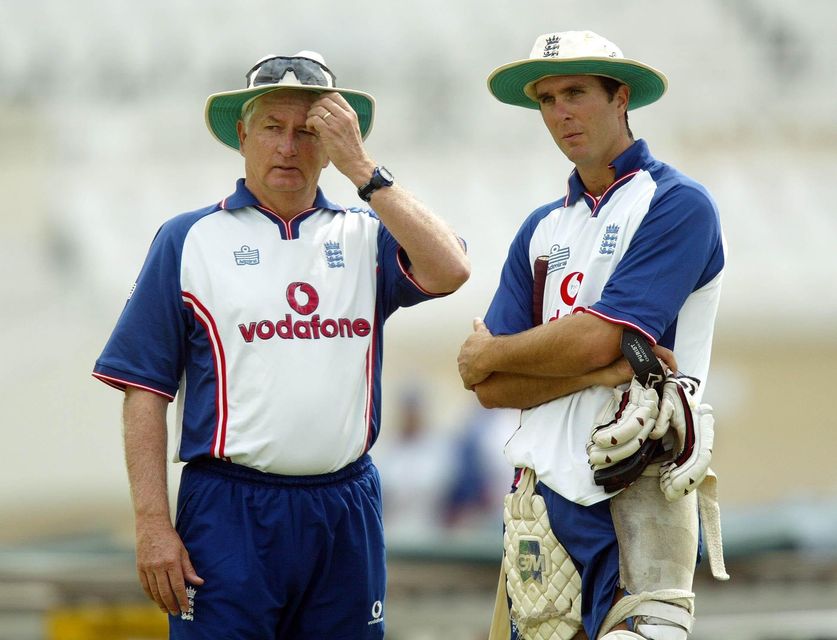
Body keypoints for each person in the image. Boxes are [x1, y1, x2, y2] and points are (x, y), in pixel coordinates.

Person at [93, 50, 469, 639]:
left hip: (345, 503)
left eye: (309, 131)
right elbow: (144, 389)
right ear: (242, 135)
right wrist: (151, 524)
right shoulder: (188, 239)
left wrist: (364, 169)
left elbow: (450, 270)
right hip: (228, 508)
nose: (288, 147)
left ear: (332, 143)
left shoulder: (367, 233)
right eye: (272, 127)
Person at [457, 31, 725, 639]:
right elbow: (493, 390)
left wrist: (495, 351)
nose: (560, 113)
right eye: (547, 99)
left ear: (621, 96)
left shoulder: (678, 204)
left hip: (640, 492)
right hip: (540, 499)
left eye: (575, 92)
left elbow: (595, 340)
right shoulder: (542, 226)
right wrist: (599, 372)